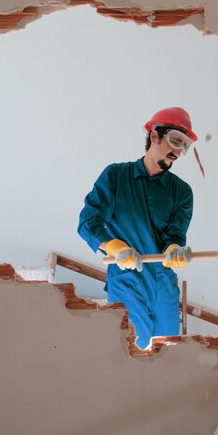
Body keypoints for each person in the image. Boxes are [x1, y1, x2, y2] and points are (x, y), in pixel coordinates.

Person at [78, 107, 197, 349]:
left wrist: (174, 249)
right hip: (126, 285)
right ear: (154, 136)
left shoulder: (182, 192)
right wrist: (113, 246)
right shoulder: (115, 177)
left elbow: (175, 235)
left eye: (183, 145)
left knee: (167, 357)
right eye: (175, 141)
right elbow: (88, 222)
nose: (177, 151)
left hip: (164, 288)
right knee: (128, 356)